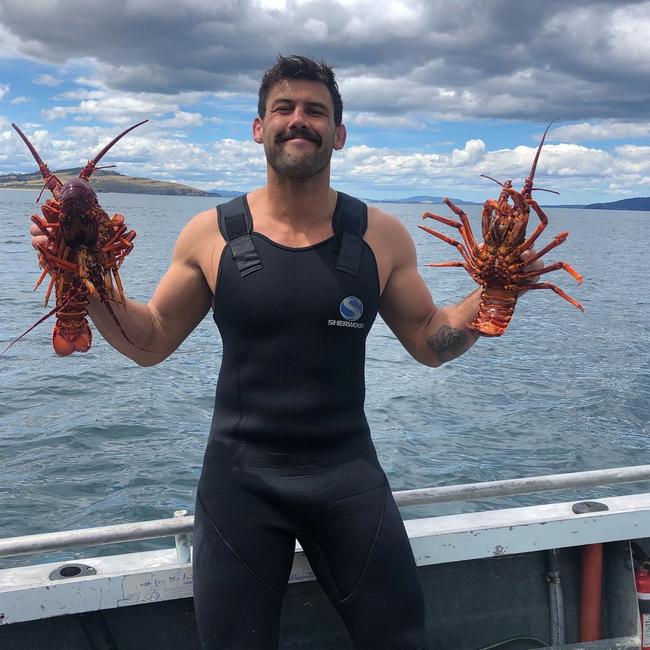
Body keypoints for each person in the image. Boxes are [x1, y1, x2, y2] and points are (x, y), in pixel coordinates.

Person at [31, 55, 540, 649]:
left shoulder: (381, 234)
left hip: (347, 474)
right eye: (284, 109)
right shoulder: (210, 232)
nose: (299, 120)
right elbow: (152, 339)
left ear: (339, 134)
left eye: (316, 111)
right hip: (240, 480)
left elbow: (430, 340)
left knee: (401, 639)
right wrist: (83, 282)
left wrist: (494, 290)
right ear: (258, 127)